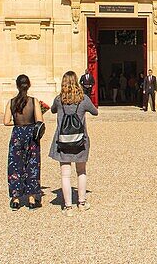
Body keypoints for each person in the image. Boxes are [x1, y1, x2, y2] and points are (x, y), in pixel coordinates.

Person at [50, 70, 98, 215]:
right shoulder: (83, 99)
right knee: (81, 171)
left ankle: (68, 207)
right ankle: (82, 203)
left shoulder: (59, 100)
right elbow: (95, 112)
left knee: (65, 174)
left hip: (63, 140)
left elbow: (52, 110)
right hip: (79, 140)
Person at [2, 73, 44, 210]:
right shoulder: (33, 101)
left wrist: (17, 123)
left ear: (17, 86)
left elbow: (6, 122)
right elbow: (39, 121)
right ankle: (31, 199)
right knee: (32, 164)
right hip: (31, 134)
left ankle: (15, 199)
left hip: (17, 134)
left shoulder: (12, 102)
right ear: (29, 85)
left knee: (15, 165)